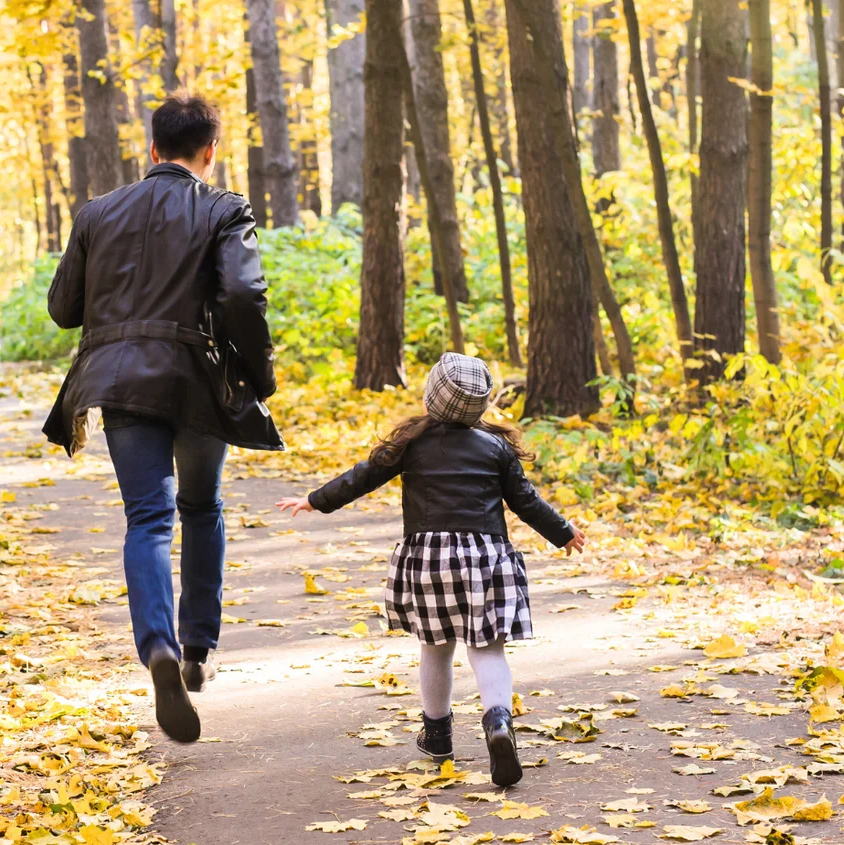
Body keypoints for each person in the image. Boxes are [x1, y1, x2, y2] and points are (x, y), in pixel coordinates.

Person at [43, 94, 283, 745]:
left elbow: (63, 307)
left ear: (151, 151)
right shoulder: (224, 208)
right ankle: (199, 646)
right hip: (197, 383)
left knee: (147, 517)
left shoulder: (98, 213)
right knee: (201, 507)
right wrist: (259, 376)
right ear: (210, 152)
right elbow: (241, 292)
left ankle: (159, 646)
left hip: (119, 384)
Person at [276, 353, 585, 786]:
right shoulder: (496, 447)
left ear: (431, 397)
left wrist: (315, 499)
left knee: (436, 645)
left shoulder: (411, 444)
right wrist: (563, 531)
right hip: (485, 559)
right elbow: (526, 502)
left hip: (429, 560)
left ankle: (438, 737)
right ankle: (498, 723)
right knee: (488, 648)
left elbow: (362, 477)